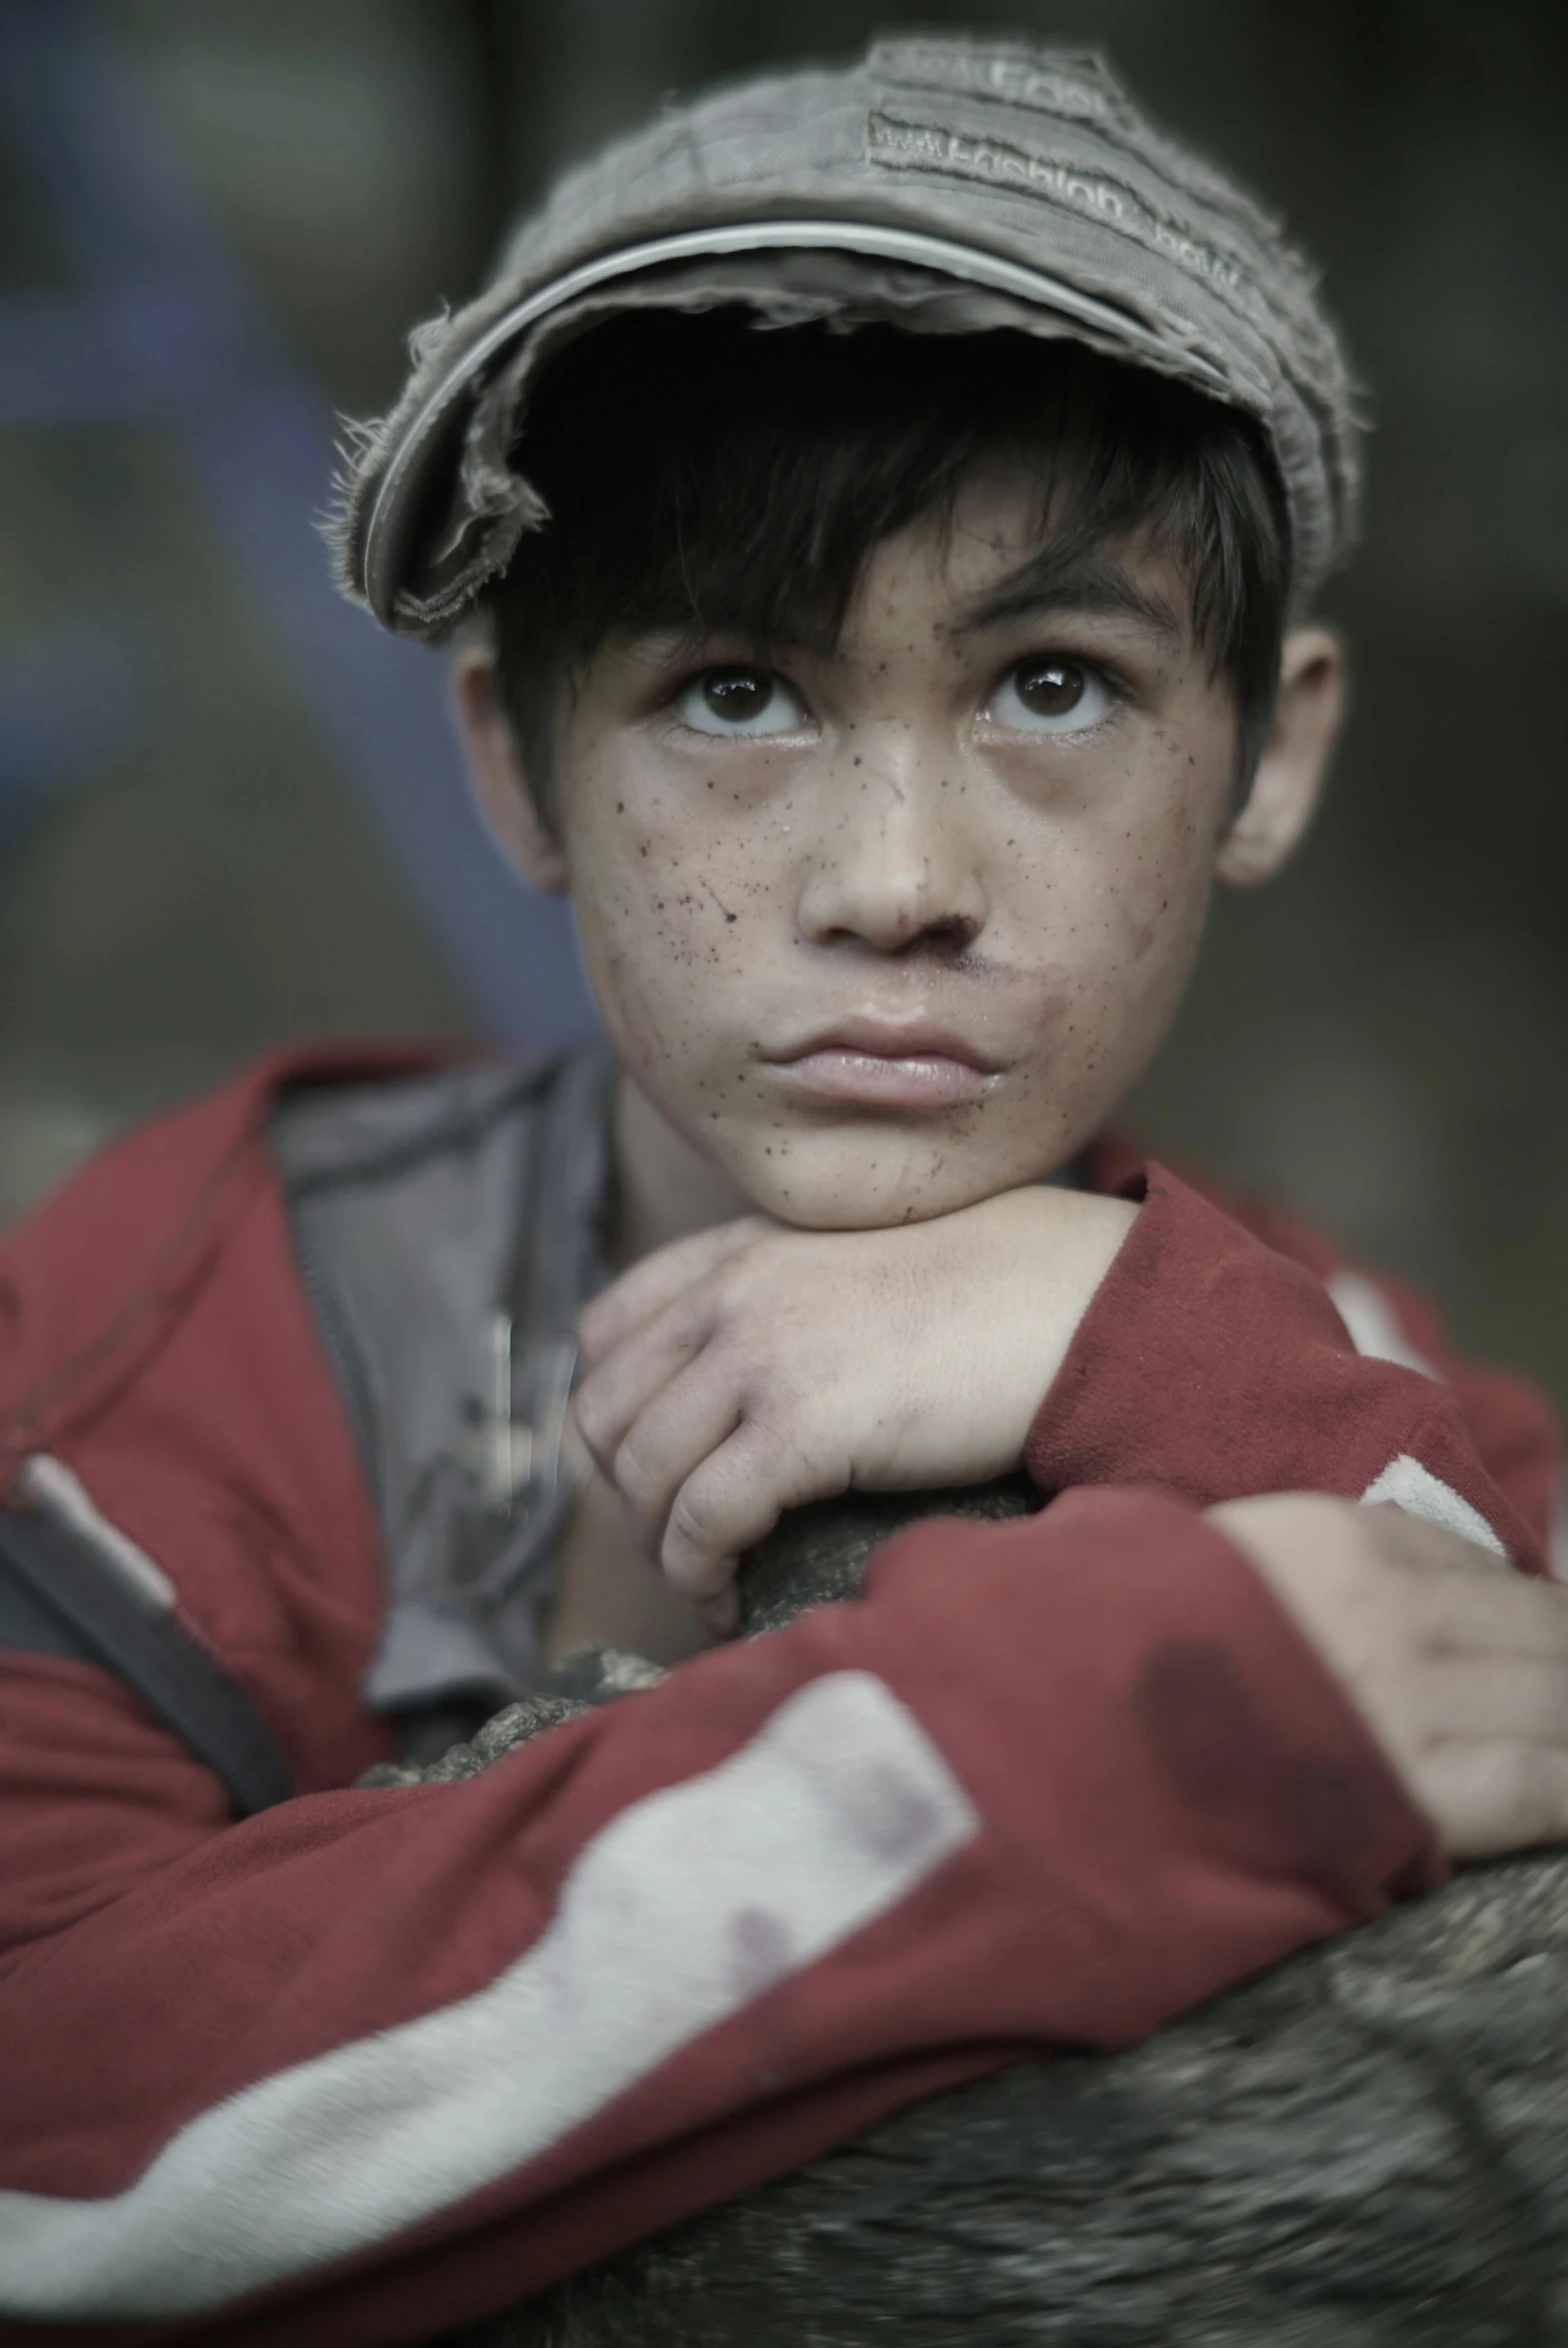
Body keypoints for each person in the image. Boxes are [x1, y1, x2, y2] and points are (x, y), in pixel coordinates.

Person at [0, 34, 1562, 2347]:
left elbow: (1501, 1655)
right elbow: (46, 2142)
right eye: (730, 695)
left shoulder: (1298, 1320)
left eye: (1053, 682)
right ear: (515, 765)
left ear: (1266, 749)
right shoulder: (163, 1364)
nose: (895, 880)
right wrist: (1081, 1734)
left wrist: (1131, 1341)